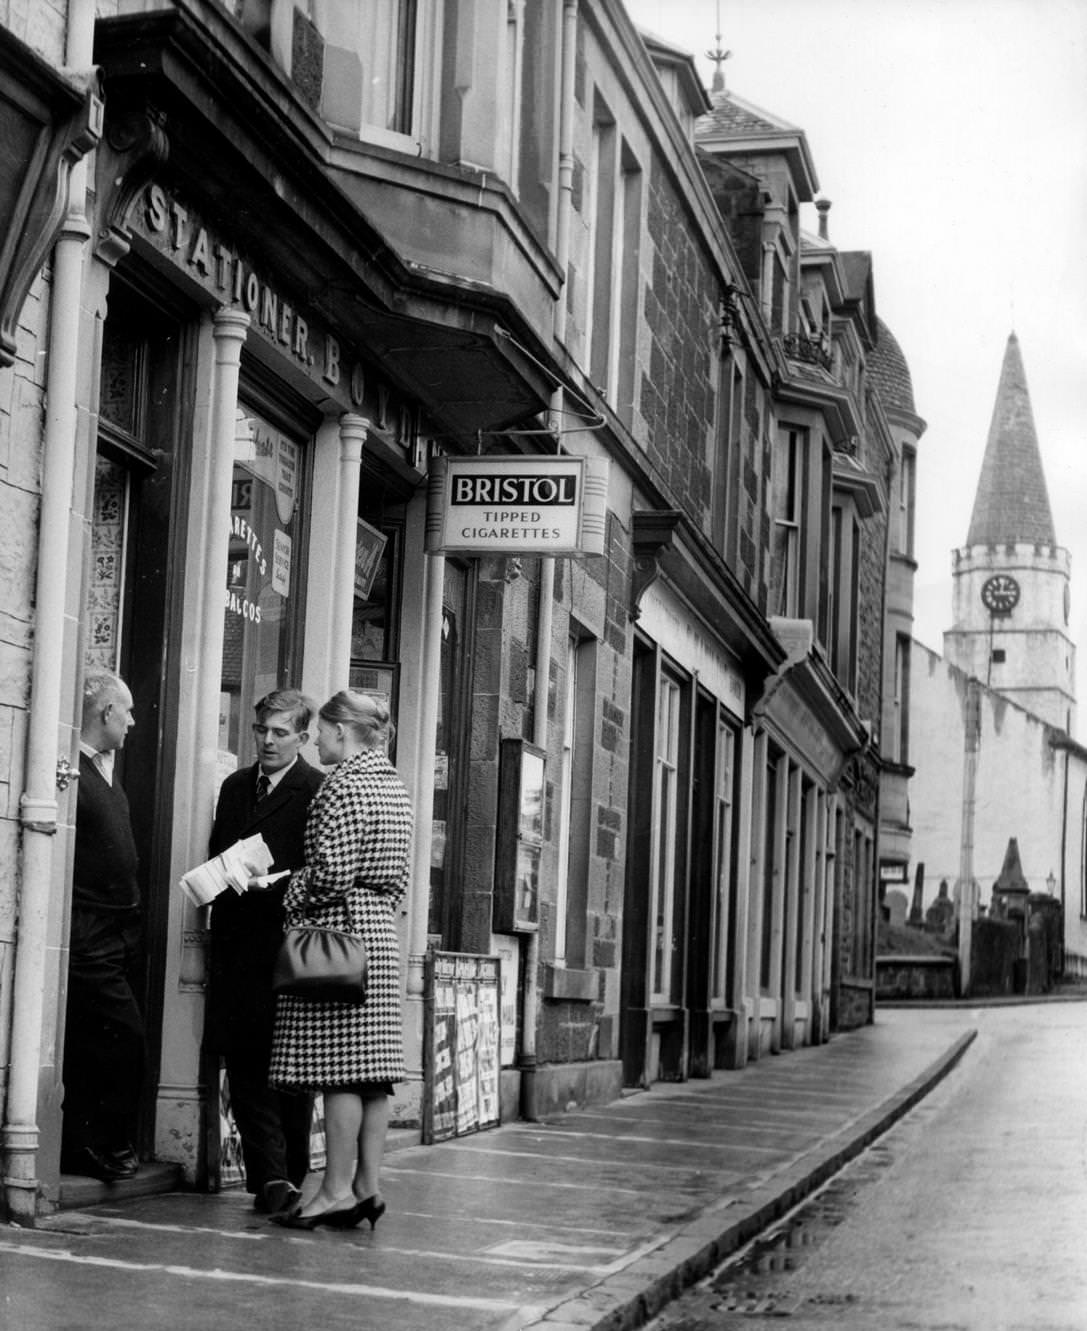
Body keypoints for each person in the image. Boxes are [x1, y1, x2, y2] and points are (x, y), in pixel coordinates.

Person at [269, 690, 413, 1230]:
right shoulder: (392, 785)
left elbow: (329, 872)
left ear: (342, 731)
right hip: (377, 932)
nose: (320, 741)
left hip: (339, 932)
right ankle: (366, 1188)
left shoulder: (343, 785)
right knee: (372, 1072)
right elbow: (397, 877)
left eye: (325, 731)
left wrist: (290, 888)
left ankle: (332, 1192)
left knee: (340, 1072)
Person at [205, 690, 325, 1216]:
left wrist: (274, 883)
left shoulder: (315, 789)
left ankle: (289, 1174)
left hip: (287, 946)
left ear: (303, 737)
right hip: (236, 944)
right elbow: (218, 850)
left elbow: (321, 871)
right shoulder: (235, 787)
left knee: (290, 1067)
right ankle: (269, 1178)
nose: (268, 741)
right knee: (245, 1061)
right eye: (262, 731)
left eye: (281, 733)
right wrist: (213, 878)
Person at [62, 671, 145, 1182]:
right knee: (122, 1037)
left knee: (104, 1038)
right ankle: (95, 1144)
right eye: (128, 711)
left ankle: (98, 1144)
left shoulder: (107, 771)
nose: (133, 721)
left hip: (118, 929)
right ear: (106, 713)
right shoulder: (73, 769)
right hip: (89, 927)